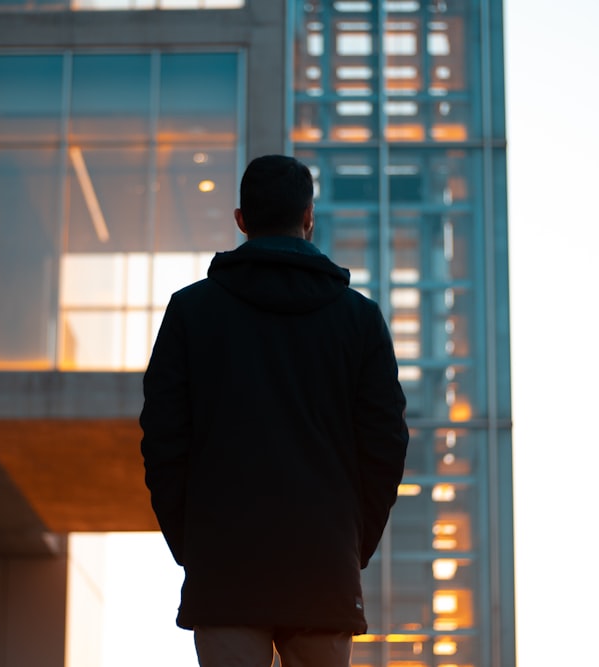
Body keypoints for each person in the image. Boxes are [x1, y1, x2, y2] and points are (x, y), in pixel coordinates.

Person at [139, 154, 409, 667]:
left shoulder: (191, 312)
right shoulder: (360, 320)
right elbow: (386, 448)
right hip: (323, 566)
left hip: (225, 568)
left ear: (241, 220)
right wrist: (348, 544)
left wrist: (196, 546)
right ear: (309, 217)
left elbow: (162, 445)